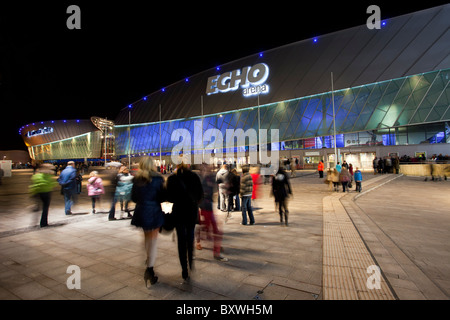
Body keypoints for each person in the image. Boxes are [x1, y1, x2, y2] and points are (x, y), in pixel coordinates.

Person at [130, 157, 165, 287]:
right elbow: (162, 197)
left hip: (142, 211)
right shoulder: (158, 179)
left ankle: (149, 261)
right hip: (154, 211)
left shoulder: (137, 179)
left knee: (146, 238)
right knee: (153, 241)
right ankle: (149, 269)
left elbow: (133, 197)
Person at [166, 162, 204, 281]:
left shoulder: (172, 178)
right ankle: (191, 260)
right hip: (191, 211)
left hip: (178, 211)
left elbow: (169, 198)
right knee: (190, 236)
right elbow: (201, 195)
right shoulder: (194, 176)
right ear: (187, 165)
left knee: (181, 240)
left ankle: (184, 269)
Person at [196, 164, 228, 262]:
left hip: (207, 207)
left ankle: (214, 248)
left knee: (205, 228)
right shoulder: (201, 178)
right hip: (204, 207)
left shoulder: (210, 177)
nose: (209, 169)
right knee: (215, 231)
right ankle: (216, 252)